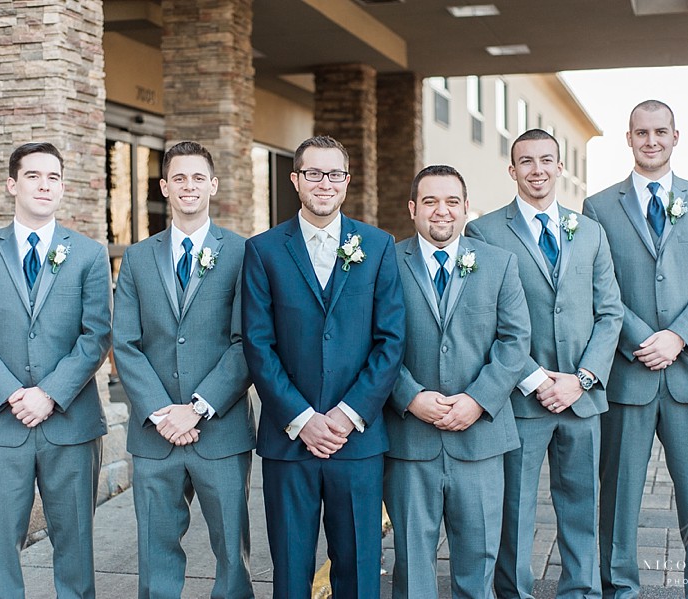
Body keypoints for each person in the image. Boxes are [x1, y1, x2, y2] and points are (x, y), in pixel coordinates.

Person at [582, 100, 688, 599]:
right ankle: (619, 590)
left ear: (676, 136)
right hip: (629, 375)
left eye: (660, 132)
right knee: (619, 499)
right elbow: (598, 286)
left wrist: (678, 337)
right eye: (641, 132)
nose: (651, 140)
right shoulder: (598, 207)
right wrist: (641, 339)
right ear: (627, 138)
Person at [242, 135, 406, 598]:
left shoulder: (376, 245)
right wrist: (303, 419)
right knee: (291, 573)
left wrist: (345, 415)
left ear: (347, 181)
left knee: (358, 570)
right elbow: (258, 345)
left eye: (334, 174)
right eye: (313, 173)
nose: (324, 183)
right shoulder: (264, 250)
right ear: (295, 180)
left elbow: (390, 341)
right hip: (289, 440)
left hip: (356, 439)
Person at [0, 142, 112, 599]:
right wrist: (14, 394)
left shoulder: (88, 254)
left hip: (71, 425)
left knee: (76, 548)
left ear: (62, 187)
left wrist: (50, 394)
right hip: (0, 425)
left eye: (54, 177)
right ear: (12, 184)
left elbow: (96, 335)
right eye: (34, 175)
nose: (44, 185)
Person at [468, 129, 623, 599]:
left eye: (546, 160)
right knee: (514, 510)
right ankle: (514, 592)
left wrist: (581, 379)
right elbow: (485, 321)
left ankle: (581, 591)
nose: (538, 169)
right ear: (512, 170)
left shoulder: (590, 231)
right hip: (521, 401)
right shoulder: (485, 232)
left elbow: (610, 312)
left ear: (560, 167)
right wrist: (536, 380)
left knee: (581, 505)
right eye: (527, 161)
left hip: (581, 398)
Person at [112, 141, 255, 599]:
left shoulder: (242, 253)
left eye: (197, 177)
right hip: (155, 435)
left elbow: (245, 342)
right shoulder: (137, 257)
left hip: (220, 429)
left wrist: (196, 409)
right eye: (179, 178)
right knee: (155, 553)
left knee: (232, 554)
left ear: (212, 185)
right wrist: (160, 412)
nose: (188, 186)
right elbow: (125, 344)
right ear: (164, 187)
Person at [385, 165, 530, 599]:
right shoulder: (387, 262)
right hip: (410, 439)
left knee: (479, 559)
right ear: (413, 209)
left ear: (467, 208)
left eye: (451, 202)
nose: (441, 211)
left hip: (481, 439)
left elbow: (515, 340)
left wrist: (477, 400)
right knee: (412, 565)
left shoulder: (500, 263)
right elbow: (373, 343)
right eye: (430, 201)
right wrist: (409, 397)